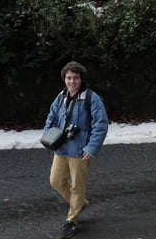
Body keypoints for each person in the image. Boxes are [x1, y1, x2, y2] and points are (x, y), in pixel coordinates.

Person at [43, 61, 109, 239]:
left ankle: (72, 220)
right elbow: (52, 117)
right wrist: (47, 137)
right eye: (69, 78)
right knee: (55, 180)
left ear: (81, 79)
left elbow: (101, 125)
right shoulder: (61, 96)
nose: (72, 81)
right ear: (64, 79)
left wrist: (92, 147)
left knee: (78, 187)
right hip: (62, 148)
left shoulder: (91, 98)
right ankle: (80, 204)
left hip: (81, 150)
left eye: (76, 78)